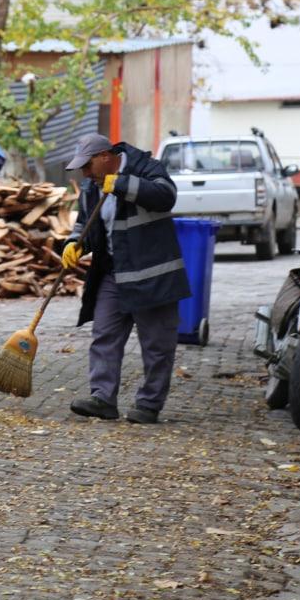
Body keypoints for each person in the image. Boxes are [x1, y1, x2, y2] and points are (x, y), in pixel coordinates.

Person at [59, 133, 190, 425]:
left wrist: (120, 184)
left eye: (88, 166)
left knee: (157, 345)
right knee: (104, 335)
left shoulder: (146, 167)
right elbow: (85, 221)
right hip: (112, 273)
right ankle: (102, 398)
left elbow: (165, 196)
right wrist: (74, 243)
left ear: (106, 156)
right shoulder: (92, 186)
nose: (85, 173)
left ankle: (149, 404)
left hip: (151, 275)